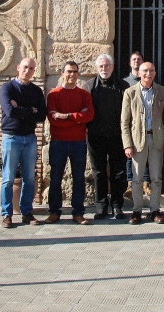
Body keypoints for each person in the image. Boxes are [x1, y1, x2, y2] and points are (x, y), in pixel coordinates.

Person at [121, 61, 164, 224]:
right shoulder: (130, 93)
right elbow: (125, 121)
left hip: (157, 139)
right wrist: (127, 144)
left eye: (151, 70)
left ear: (155, 73)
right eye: (145, 71)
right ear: (139, 73)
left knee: (156, 177)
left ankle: (155, 210)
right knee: (136, 178)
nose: (148, 73)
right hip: (137, 141)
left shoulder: (162, 92)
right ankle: (136, 211)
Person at [0, 57, 46, 228]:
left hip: (29, 138)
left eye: (32, 68)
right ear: (18, 67)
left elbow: (41, 115)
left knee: (29, 178)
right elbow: (9, 111)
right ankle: (6, 215)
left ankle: (27, 213)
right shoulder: (7, 88)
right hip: (11, 137)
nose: (28, 71)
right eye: (25, 67)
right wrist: (30, 110)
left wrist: (21, 109)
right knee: (8, 179)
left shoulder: (36, 91)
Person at [45, 61, 94, 225]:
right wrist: (77, 117)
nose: (72, 75)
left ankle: (78, 212)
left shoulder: (84, 95)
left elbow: (89, 116)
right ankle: (54, 211)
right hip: (58, 142)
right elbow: (53, 119)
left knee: (79, 178)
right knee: (55, 178)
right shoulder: (53, 95)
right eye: (68, 72)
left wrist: (66, 116)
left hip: (78, 142)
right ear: (62, 73)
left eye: (74, 72)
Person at [85, 54, 130, 220]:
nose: (104, 69)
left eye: (107, 66)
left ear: (112, 66)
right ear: (97, 68)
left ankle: (117, 206)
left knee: (118, 173)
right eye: (101, 66)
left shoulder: (123, 86)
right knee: (98, 173)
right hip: (95, 137)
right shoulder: (89, 86)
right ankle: (101, 206)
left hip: (117, 136)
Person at [123, 51, 149, 199]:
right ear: (130, 62)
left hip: (146, 123)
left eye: (139, 59)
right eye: (134, 59)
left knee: (146, 154)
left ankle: (146, 182)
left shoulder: (148, 80)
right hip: (132, 124)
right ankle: (130, 183)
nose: (136, 61)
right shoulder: (125, 82)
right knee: (130, 154)